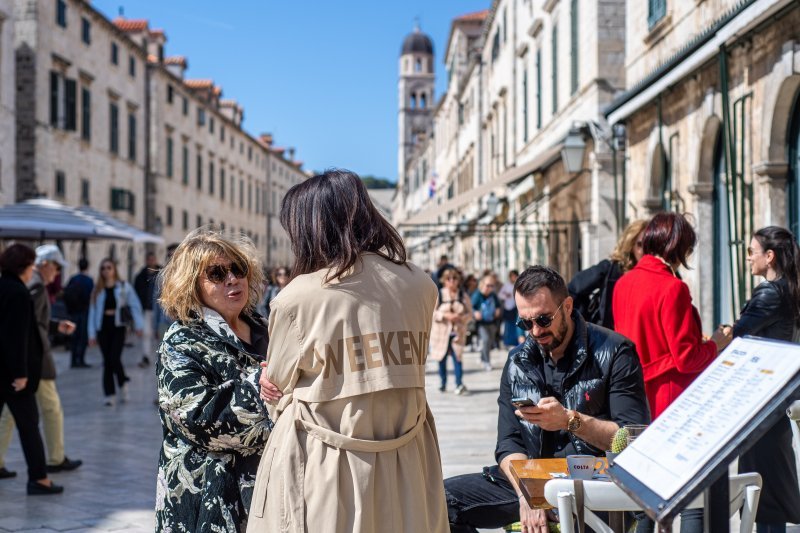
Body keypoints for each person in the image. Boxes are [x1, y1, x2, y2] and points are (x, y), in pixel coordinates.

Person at [247, 169, 448, 533]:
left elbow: (277, 391)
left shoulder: (297, 298)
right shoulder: (421, 284)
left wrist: (268, 382)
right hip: (408, 458)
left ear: (309, 229)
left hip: (326, 467)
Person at [444, 265, 650, 533]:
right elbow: (508, 443)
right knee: (439, 502)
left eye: (543, 319)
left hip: (592, 481)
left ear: (566, 306)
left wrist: (570, 421)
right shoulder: (517, 361)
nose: (535, 331)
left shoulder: (615, 352)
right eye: (525, 322)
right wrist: (527, 494)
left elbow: (632, 438)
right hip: (532, 478)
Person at [613, 212, 731, 533]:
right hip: (673, 400)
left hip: (635, 400)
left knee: (646, 502)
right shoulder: (672, 288)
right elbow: (687, 358)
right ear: (677, 246)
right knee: (692, 498)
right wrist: (717, 343)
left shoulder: (623, 284)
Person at [155, 227, 272, 532]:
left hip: (272, 488)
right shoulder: (181, 341)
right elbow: (196, 418)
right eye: (217, 274)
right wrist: (264, 383)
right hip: (210, 496)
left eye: (238, 269)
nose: (232, 279)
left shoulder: (268, 329)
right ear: (192, 285)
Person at [732, 226, 800, 532]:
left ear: (769, 257)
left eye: (751, 252)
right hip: (773, 402)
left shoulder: (772, 292)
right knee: (768, 490)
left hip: (762, 402)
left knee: (762, 493)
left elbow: (739, 333)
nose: (748, 258)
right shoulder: (787, 290)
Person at [0, 245, 82, 478]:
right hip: (33, 361)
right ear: (42, 264)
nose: (56, 273)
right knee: (45, 412)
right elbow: (24, 326)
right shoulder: (32, 285)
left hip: (26, 362)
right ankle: (51, 463)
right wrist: (23, 369)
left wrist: (56, 325)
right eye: (55, 267)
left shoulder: (25, 284)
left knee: (14, 415)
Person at [569, 219, 648, 330]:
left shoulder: (660, 273)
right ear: (630, 245)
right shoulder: (610, 270)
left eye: (649, 244)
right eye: (640, 244)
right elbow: (573, 289)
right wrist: (584, 324)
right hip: (609, 338)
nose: (645, 250)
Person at [87, 259, 144, 406]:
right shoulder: (97, 290)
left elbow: (135, 305)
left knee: (114, 358)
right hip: (102, 328)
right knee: (107, 361)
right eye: (103, 268)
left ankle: (122, 383)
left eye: (108, 268)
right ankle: (109, 394)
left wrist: (139, 325)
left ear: (114, 270)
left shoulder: (124, 287)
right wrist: (91, 334)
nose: (106, 271)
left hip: (118, 327)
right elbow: (92, 313)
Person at [430, 267, 473, 394]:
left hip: (457, 333)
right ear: (444, 280)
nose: (452, 281)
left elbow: (470, 314)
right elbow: (432, 313)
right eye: (448, 279)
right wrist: (445, 316)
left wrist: (461, 318)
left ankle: (459, 384)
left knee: (458, 357)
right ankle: (443, 383)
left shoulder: (463, 295)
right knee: (441, 358)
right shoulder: (439, 294)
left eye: (454, 278)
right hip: (441, 333)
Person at [63, 258, 93, 368]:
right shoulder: (89, 280)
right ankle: (80, 360)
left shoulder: (73, 279)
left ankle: (73, 360)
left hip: (73, 312)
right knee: (82, 336)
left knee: (74, 336)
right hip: (84, 311)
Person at [134, 252, 160, 368]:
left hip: (160, 309)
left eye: (152, 259)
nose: (151, 261)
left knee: (159, 333)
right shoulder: (140, 276)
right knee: (146, 333)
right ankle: (146, 356)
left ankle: (160, 356)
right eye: (149, 259)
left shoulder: (161, 274)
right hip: (146, 309)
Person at [472, 274, 502, 371]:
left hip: (492, 322)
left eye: (492, 286)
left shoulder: (493, 295)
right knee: (485, 339)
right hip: (481, 323)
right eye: (488, 285)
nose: (490, 288)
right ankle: (486, 361)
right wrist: (475, 312)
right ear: (482, 284)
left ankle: (482, 357)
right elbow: (470, 307)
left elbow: (498, 305)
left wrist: (498, 310)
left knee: (489, 342)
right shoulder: (477, 295)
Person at [498, 270, 524, 347]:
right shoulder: (506, 285)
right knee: (508, 325)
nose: (513, 278)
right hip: (508, 308)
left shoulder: (520, 285)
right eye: (512, 276)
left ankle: (518, 341)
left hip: (517, 307)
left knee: (518, 324)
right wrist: (506, 295)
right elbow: (500, 294)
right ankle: (508, 341)